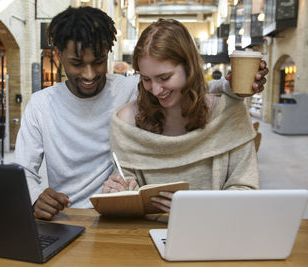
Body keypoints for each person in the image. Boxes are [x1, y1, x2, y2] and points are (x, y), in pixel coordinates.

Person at [14, 6, 268, 220]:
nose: (89, 75)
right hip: (68, 215)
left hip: (112, 216)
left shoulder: (129, 89)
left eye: (99, 62)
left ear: (108, 54)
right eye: (77, 64)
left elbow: (186, 92)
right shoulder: (40, 105)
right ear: (58, 55)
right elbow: (23, 169)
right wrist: (36, 195)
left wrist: (232, 87)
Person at [103, 19, 260, 213]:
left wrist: (197, 210)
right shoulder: (126, 121)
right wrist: (118, 192)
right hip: (143, 235)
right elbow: (126, 185)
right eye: (146, 79)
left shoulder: (229, 113)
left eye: (164, 77)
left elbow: (246, 190)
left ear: (189, 68)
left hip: (215, 232)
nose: (156, 90)